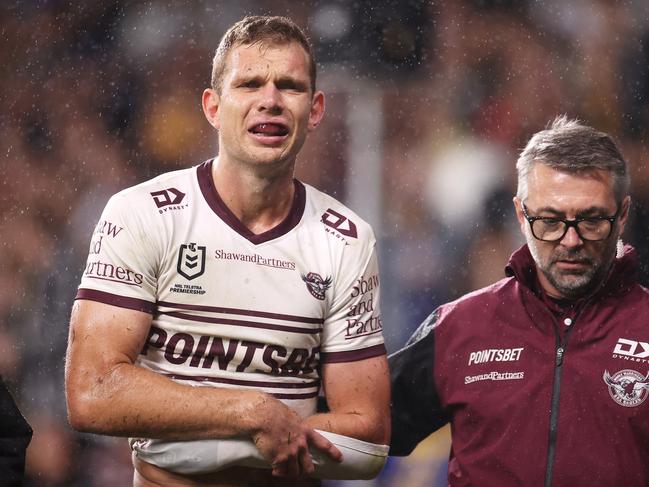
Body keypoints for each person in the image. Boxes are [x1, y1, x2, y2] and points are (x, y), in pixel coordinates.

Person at [65, 15, 390, 487]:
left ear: (315, 109)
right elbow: (91, 394)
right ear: (213, 107)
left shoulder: (346, 239)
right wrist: (249, 412)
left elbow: (368, 437)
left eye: (290, 86)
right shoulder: (143, 214)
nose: (270, 101)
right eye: (250, 83)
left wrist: (202, 443)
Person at [389, 116, 649, 486]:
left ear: (622, 215)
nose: (570, 240)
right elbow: (360, 427)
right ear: (520, 214)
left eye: (592, 220)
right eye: (550, 220)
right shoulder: (459, 327)